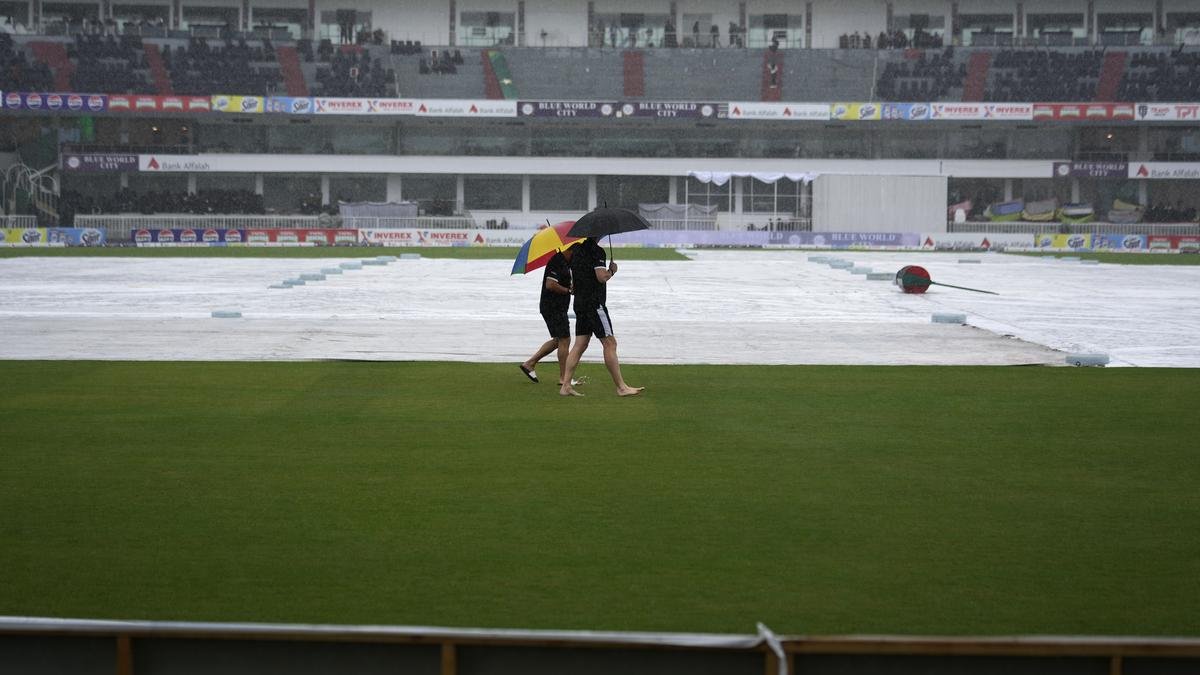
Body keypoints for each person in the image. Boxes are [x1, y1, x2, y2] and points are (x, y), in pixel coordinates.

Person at [559, 238, 643, 398]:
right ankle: (621, 387)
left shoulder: (576, 250)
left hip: (580, 303)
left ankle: (566, 385)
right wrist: (612, 270)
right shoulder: (597, 251)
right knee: (610, 343)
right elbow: (601, 277)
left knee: (580, 344)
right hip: (594, 304)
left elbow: (574, 277)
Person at [520, 246, 576, 386]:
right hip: (553, 307)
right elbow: (550, 284)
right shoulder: (557, 261)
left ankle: (530, 363)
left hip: (556, 307)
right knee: (565, 339)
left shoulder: (565, 262)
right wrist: (568, 290)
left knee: (559, 340)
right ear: (570, 251)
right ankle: (564, 378)